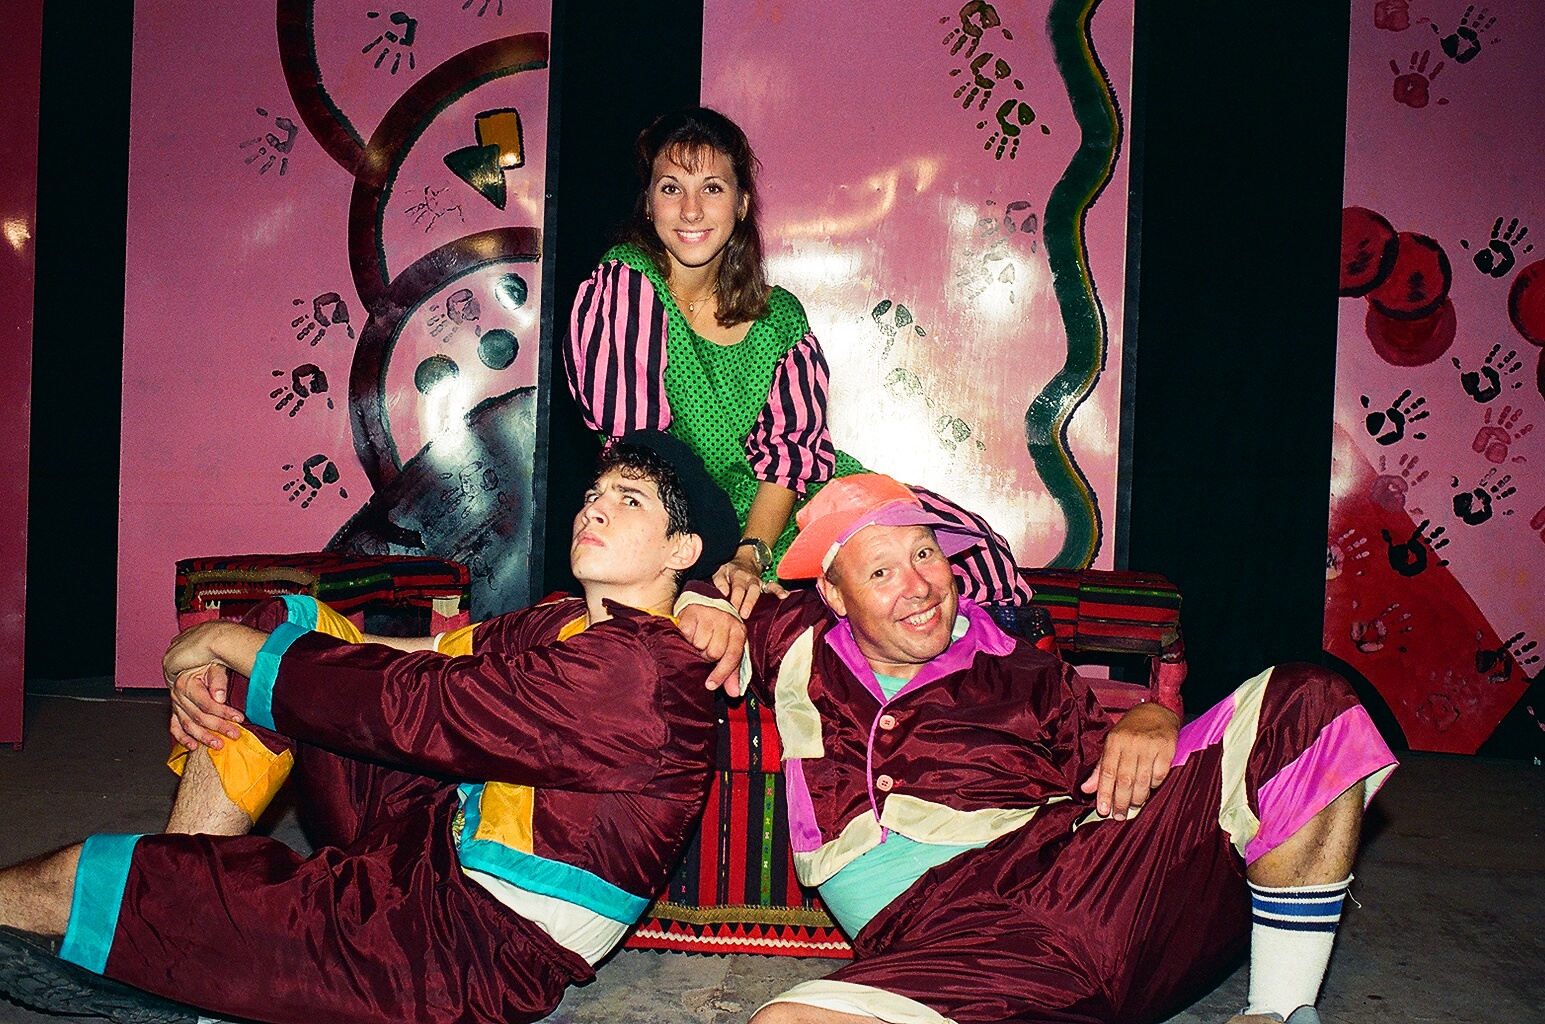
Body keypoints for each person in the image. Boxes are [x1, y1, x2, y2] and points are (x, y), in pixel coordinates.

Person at [0, 431, 745, 1024]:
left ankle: (174, 912)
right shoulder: (564, 621)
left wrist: (223, 641)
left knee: (88, 877)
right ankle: (187, 879)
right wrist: (247, 644)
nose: (593, 510)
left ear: (682, 551)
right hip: (433, 845)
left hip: (469, 947)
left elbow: (420, 704)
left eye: (628, 500)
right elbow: (422, 656)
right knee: (291, 625)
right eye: (592, 494)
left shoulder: (637, 670)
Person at [734, 474, 1398, 1024]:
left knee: (1305, 700)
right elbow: (691, 600)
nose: (918, 586)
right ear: (833, 594)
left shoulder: (1025, 669)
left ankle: (1278, 1011)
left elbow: (1113, 778)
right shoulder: (794, 638)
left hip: (1086, 887)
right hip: (949, 951)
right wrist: (702, 605)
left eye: (925, 555)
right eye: (881, 570)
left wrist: (1154, 717)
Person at [564, 106, 1035, 622]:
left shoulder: (779, 317)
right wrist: (716, 555)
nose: (691, 210)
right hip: (689, 518)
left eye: (712, 188)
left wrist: (751, 555)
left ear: (741, 204)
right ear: (650, 205)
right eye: (671, 188)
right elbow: (640, 448)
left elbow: (789, 460)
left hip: (790, 511)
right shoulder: (627, 282)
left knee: (956, 550)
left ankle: (999, 651)